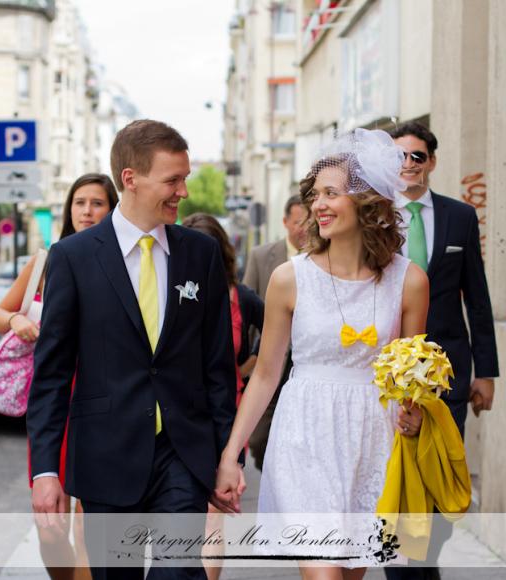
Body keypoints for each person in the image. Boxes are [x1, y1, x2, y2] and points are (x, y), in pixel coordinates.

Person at [214, 128, 430, 579]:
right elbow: (267, 374)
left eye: (331, 193)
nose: (318, 205)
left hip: (374, 440)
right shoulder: (289, 279)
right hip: (304, 438)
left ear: (366, 200)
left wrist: (415, 412)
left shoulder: (409, 282)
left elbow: (412, 380)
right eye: (315, 195)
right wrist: (231, 454)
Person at [27, 119, 238, 580]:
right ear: (131, 179)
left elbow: (217, 366)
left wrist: (228, 457)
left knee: (179, 573)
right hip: (106, 454)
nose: (183, 191)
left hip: (183, 453)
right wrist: (45, 470)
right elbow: (52, 374)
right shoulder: (74, 258)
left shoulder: (200, 254)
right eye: (173, 180)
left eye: (184, 179)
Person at [384, 121, 500, 580]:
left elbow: (479, 295)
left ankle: (425, 561)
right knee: (398, 482)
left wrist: (486, 371)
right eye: (399, 156)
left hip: (448, 373)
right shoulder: (372, 215)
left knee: (440, 478)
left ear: (431, 162)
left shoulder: (460, 216)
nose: (408, 165)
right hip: (388, 375)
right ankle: (406, 568)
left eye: (417, 156)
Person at [0, 173, 119, 580]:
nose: (87, 211)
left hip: (102, 401)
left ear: (113, 208)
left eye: (97, 203)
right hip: (54, 403)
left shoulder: (122, 263)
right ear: (69, 210)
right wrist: (16, 320)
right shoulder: (47, 260)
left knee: (90, 518)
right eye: (80, 202)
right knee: (50, 526)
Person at [181, 212, 264, 580]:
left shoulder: (241, 298)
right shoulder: (171, 293)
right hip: (177, 412)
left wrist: (250, 369)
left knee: (216, 512)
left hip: (226, 414)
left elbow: (283, 343)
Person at [242, 195, 307, 470]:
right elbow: (247, 310)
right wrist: (245, 361)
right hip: (271, 358)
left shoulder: (325, 259)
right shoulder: (261, 256)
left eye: (309, 221)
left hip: (305, 361)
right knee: (257, 438)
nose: (304, 227)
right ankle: (269, 466)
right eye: (298, 222)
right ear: (285, 222)